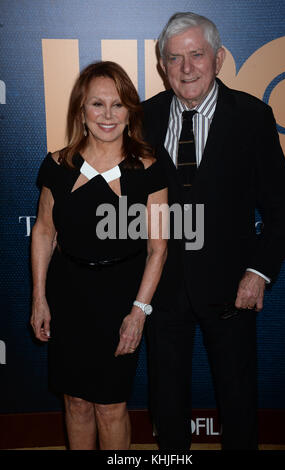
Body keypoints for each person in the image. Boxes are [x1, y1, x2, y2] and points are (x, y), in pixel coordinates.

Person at [142, 12, 285, 450]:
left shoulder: (252, 117)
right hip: (163, 291)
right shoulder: (143, 118)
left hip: (233, 289)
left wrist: (259, 273)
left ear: (220, 58)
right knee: (166, 407)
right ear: (162, 65)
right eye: (175, 58)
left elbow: (283, 209)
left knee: (239, 405)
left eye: (197, 55)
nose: (187, 67)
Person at [30, 61, 168, 450]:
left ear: (130, 112)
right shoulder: (58, 165)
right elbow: (43, 231)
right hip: (67, 296)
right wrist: (39, 298)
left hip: (120, 300)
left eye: (118, 105)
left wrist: (139, 312)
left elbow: (159, 247)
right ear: (81, 110)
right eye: (97, 104)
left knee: (110, 406)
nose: (108, 115)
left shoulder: (148, 169)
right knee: (75, 402)